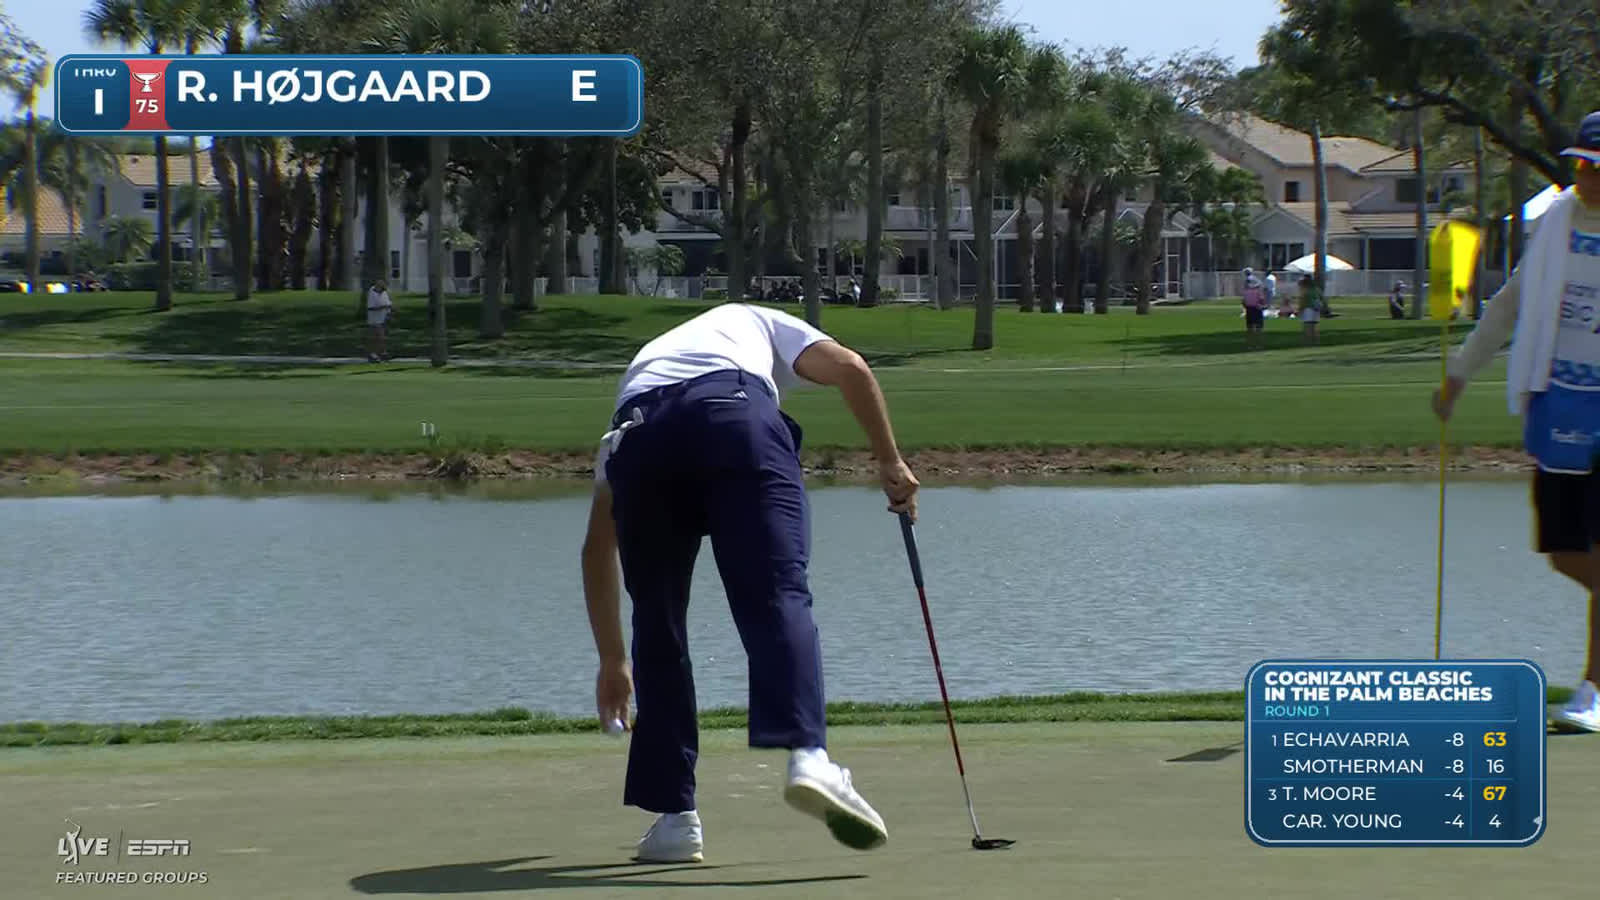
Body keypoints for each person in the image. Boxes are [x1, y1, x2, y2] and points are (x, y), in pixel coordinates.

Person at [580, 301, 921, 862]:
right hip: (733, 413)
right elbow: (852, 369)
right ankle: (808, 757)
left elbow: (597, 548)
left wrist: (613, 660)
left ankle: (676, 820)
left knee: (658, 622)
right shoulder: (760, 320)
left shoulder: (645, 376)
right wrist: (889, 461)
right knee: (776, 592)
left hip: (638, 438)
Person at [1433, 110, 1600, 733]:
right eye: (1580, 165)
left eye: (1595, 169)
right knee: (1562, 551)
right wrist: (1458, 372)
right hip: (1557, 401)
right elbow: (1509, 306)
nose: (1584, 177)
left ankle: (1592, 690)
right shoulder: (1557, 224)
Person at [365, 279, 393, 362]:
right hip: (374, 320)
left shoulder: (384, 293)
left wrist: (389, 312)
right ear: (377, 287)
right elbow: (370, 307)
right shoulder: (372, 293)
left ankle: (381, 353)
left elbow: (388, 303)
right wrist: (383, 307)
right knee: (378, 337)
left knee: (380, 337)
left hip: (382, 319)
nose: (382, 291)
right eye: (381, 288)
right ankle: (376, 354)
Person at [1241, 268, 1267, 350]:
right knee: (1259, 328)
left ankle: (1250, 345)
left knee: (1250, 328)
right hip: (1257, 309)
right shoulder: (1258, 291)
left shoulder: (1246, 292)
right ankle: (1259, 344)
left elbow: (1244, 302)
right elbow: (1262, 300)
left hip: (1249, 309)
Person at [1297, 276, 1322, 345]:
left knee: (1307, 327)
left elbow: (1303, 302)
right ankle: (1316, 342)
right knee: (1314, 328)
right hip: (1316, 309)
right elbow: (1322, 299)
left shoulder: (1305, 291)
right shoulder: (1316, 290)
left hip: (1308, 310)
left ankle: (1308, 342)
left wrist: (1299, 311)